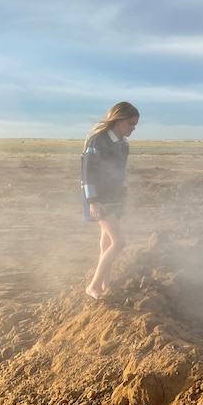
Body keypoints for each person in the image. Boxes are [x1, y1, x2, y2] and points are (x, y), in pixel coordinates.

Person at [81, 102, 139, 299]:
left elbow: (119, 172)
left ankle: (105, 284)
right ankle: (94, 287)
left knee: (106, 242)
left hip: (115, 196)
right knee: (119, 242)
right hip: (99, 197)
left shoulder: (123, 143)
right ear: (119, 120)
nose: (133, 128)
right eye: (130, 124)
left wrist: (123, 194)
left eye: (135, 125)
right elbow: (88, 172)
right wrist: (93, 200)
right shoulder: (98, 141)